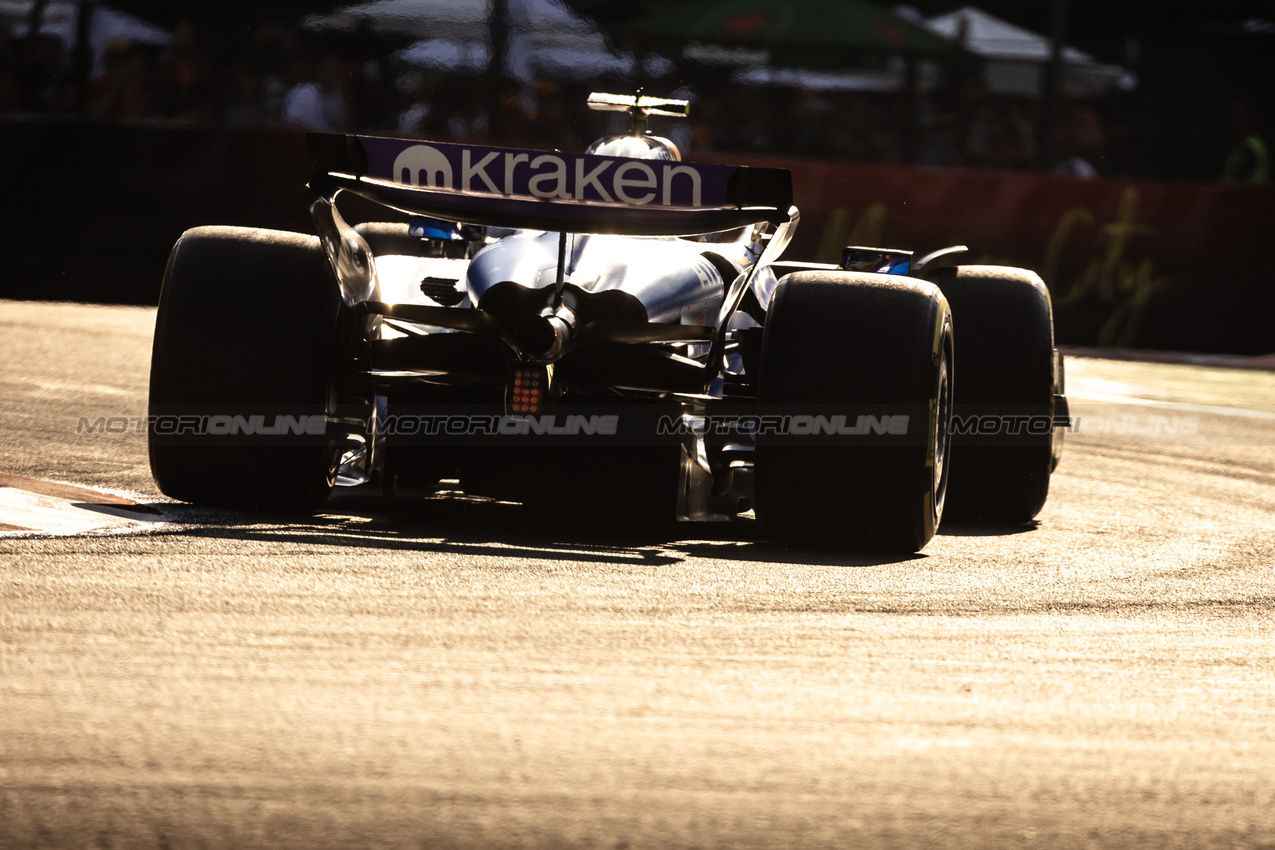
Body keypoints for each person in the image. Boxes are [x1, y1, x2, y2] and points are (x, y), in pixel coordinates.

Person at [1221, 100, 1269, 184]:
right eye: (1233, 117)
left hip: (1250, 194)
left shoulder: (1250, 145)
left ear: (1252, 119)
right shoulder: (1242, 143)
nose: (1235, 122)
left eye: (1240, 117)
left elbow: (1239, 176)